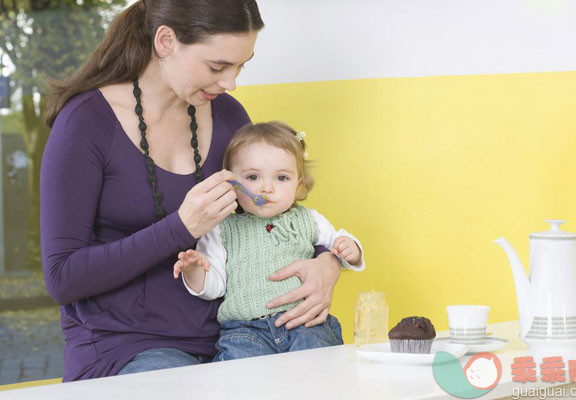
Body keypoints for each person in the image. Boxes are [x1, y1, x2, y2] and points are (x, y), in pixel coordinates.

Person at [41, 0, 345, 381]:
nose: (231, 83)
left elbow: (267, 219)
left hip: (239, 337)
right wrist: (181, 226)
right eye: (217, 66)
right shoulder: (85, 123)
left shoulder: (229, 116)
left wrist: (327, 262)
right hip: (126, 347)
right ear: (166, 41)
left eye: (241, 66)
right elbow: (62, 277)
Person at [173, 122, 366, 361]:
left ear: (299, 185)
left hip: (305, 323)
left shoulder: (309, 219)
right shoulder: (221, 228)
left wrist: (351, 249)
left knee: (319, 374)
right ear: (231, 183)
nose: (267, 188)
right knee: (237, 382)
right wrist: (194, 269)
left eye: (282, 178)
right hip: (244, 332)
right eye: (253, 177)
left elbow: (339, 245)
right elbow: (215, 287)